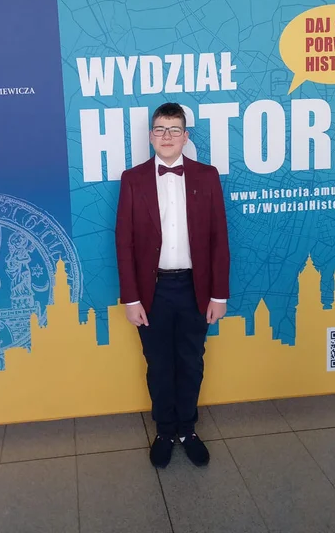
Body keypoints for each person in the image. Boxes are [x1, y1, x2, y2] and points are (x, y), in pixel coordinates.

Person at [115, 102, 230, 468]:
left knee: (191, 362)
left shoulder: (207, 176)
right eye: (160, 130)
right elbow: (124, 243)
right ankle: (165, 431)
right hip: (153, 291)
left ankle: (188, 430)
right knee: (159, 364)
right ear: (151, 136)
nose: (167, 136)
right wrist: (131, 299)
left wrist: (219, 294)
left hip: (196, 288)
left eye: (174, 129)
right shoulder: (132, 179)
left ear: (185, 136)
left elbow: (219, 238)